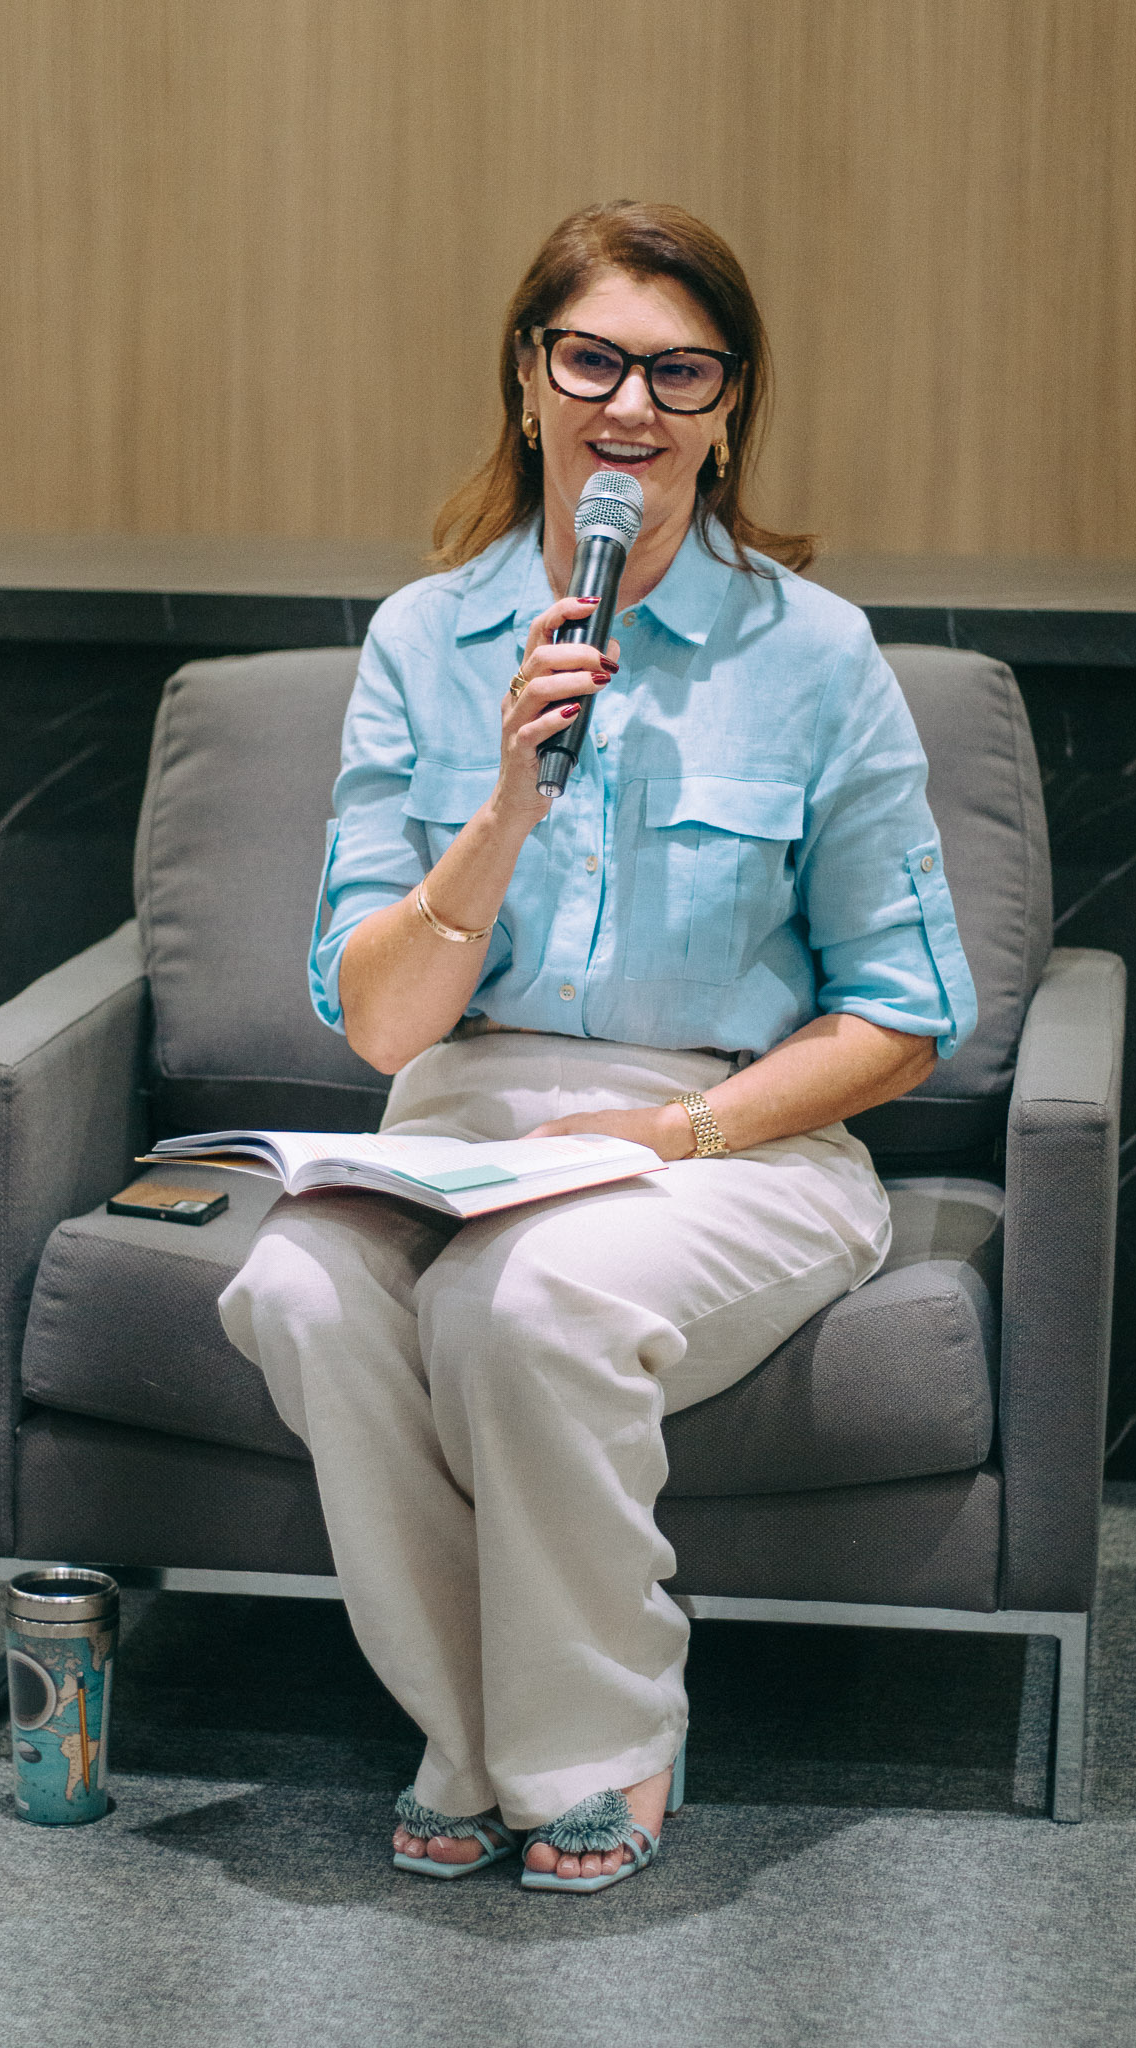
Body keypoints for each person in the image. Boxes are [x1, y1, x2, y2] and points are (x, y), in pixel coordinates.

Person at [218, 200, 976, 1894]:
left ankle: (598, 1740)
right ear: (526, 374)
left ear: (728, 404)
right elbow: (380, 1019)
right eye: (593, 360)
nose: (629, 405)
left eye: (678, 372)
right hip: (461, 1119)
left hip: (729, 1135)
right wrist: (503, 803)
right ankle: (467, 1736)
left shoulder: (812, 653)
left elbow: (903, 1016)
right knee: (294, 1287)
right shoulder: (425, 640)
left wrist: (659, 1139)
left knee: (530, 1296)